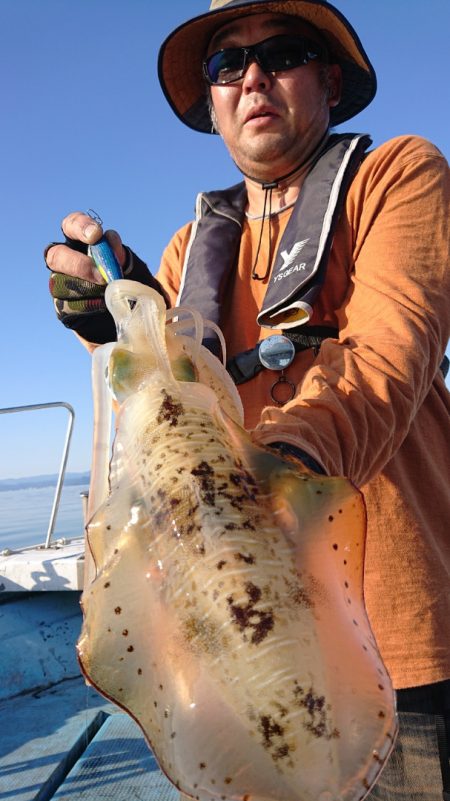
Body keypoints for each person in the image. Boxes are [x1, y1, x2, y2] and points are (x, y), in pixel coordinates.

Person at [45, 0, 450, 797]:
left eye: (283, 52)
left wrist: (269, 476)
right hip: (233, 635)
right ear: (213, 99)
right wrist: (112, 318)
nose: (252, 76)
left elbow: (387, 356)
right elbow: (172, 386)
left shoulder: (397, 175)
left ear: (330, 80)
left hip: (411, 643)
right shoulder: (191, 248)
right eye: (227, 64)